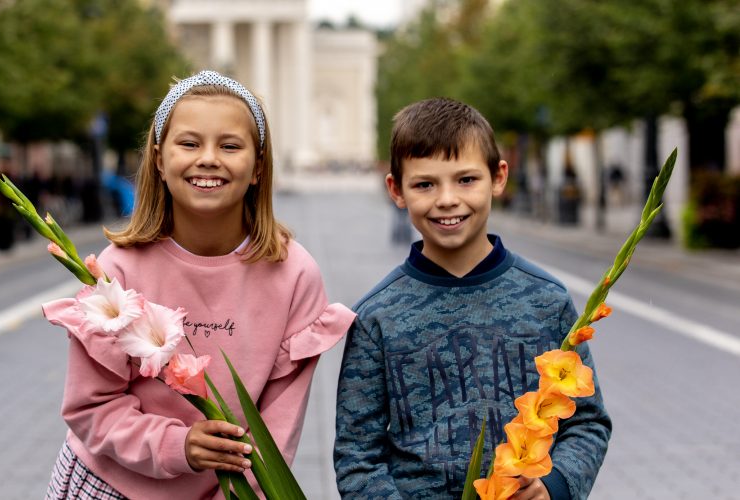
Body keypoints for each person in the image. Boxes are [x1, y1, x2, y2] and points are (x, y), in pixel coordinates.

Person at [42, 70, 355, 500]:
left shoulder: (295, 276)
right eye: (189, 143)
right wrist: (177, 445)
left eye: (230, 145)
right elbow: (90, 408)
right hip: (110, 485)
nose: (208, 158)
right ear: (158, 159)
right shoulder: (118, 271)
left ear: (258, 168)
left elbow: (276, 431)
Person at [333, 98, 611, 500]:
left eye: (466, 179)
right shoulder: (376, 315)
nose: (447, 199)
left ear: (498, 177)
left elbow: (587, 422)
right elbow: (357, 453)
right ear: (396, 190)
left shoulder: (547, 300)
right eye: (425, 184)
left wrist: (553, 488)